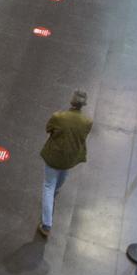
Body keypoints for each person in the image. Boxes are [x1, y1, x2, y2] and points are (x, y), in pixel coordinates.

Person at [38, 90, 92, 238]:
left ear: (71, 101)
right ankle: (52, 199)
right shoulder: (87, 122)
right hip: (70, 159)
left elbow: (48, 129)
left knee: (48, 186)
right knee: (60, 181)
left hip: (54, 156)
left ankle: (46, 224)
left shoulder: (58, 117)